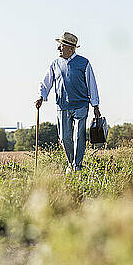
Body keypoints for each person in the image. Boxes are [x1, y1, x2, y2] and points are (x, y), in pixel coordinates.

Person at [36, 32, 101, 173]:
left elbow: (92, 85)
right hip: (62, 106)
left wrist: (95, 106)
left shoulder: (84, 63)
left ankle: (77, 166)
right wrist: (41, 97)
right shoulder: (55, 64)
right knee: (65, 137)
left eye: (61, 46)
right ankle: (71, 163)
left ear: (71, 49)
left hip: (81, 105)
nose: (58, 49)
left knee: (79, 136)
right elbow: (46, 82)